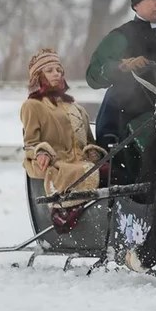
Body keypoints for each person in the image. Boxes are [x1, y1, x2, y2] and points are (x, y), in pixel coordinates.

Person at [86, 0, 156, 184]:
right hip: (127, 116)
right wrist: (122, 65)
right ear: (136, 4)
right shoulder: (121, 37)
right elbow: (93, 76)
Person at [20, 48, 107, 229]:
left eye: (59, 70)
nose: (56, 74)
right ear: (38, 75)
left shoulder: (75, 107)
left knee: (119, 172)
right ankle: (72, 219)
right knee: (86, 171)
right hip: (59, 165)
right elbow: (30, 144)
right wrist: (42, 152)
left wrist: (93, 152)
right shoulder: (32, 106)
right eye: (50, 70)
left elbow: (90, 142)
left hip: (83, 163)